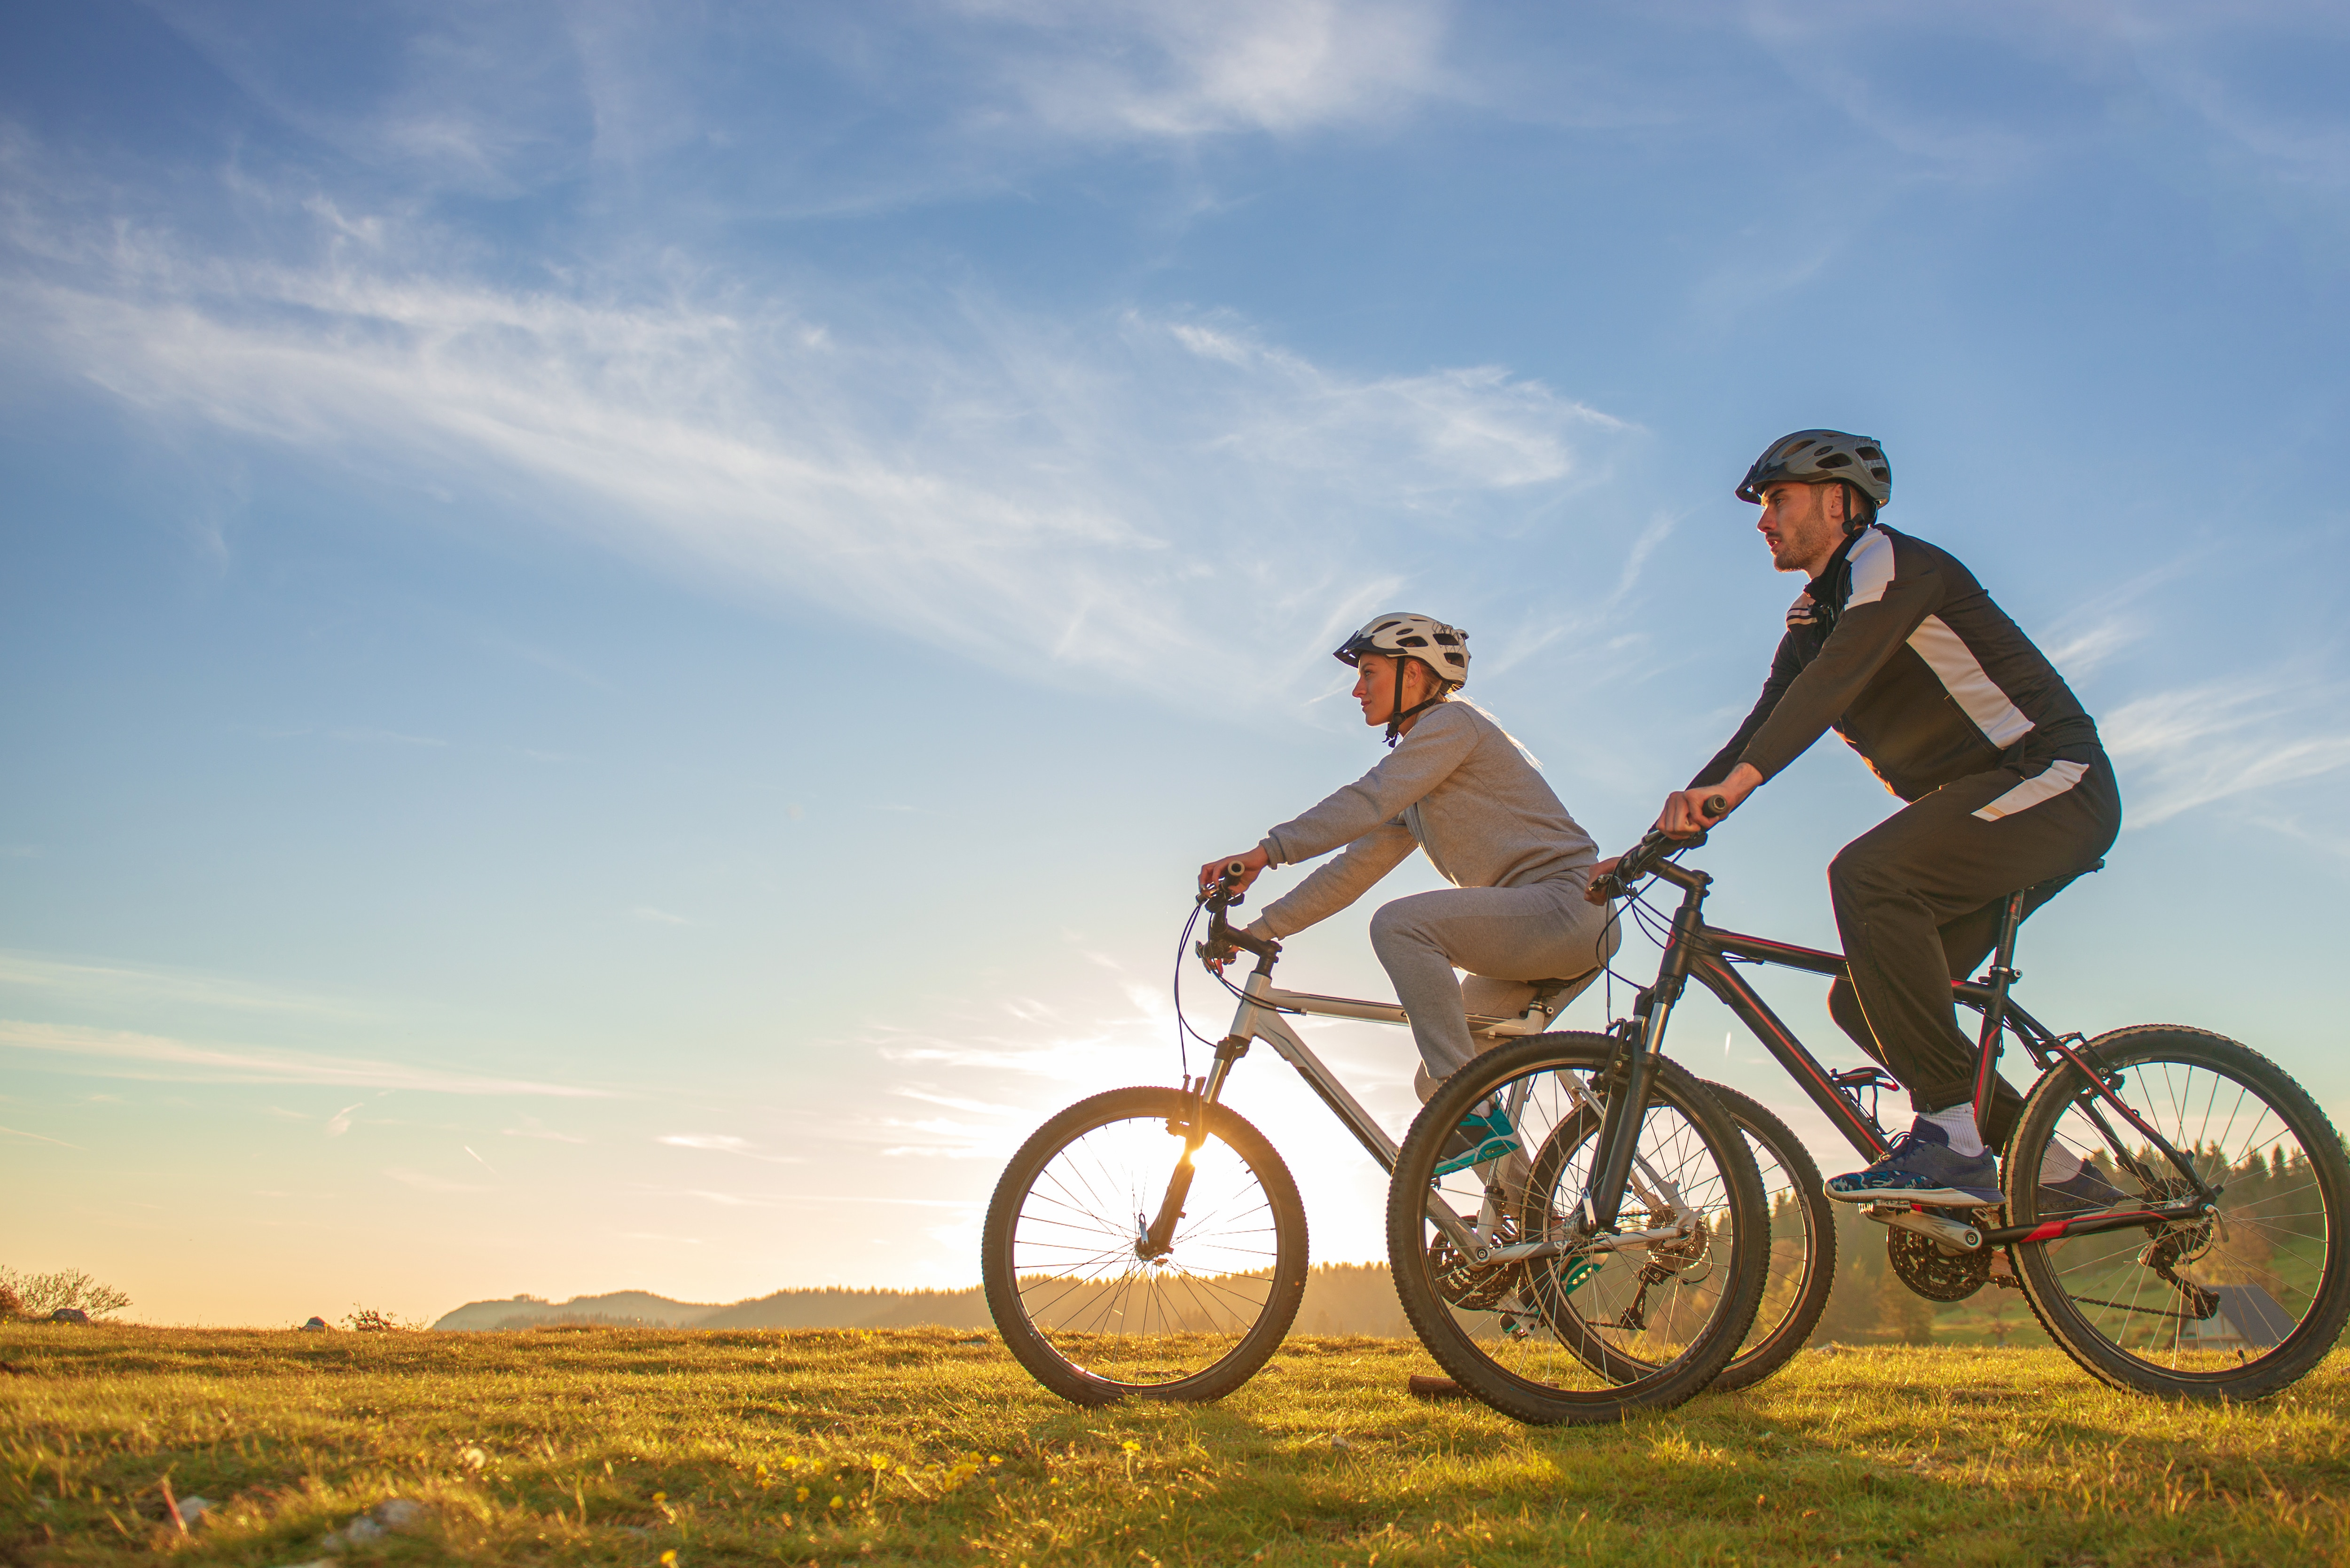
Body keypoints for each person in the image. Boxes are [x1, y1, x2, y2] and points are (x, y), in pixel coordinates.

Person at [1607, 431, 2122, 1207]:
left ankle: (1951, 1141)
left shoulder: (1896, 566)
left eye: (1779, 499)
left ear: (1841, 502)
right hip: (1981, 812)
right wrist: (1654, 840)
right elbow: (1768, 718)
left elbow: (1832, 687)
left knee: (1870, 873)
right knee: (1864, 998)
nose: (1762, 520)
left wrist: (1731, 792)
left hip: (2054, 781)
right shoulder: (1815, 612)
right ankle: (2055, 1178)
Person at [1199, 613, 1617, 1163]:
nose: (1356, 689)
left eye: (1368, 673)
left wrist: (1264, 853)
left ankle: (1470, 1113)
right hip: (1533, 931)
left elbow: (1367, 798)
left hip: (1565, 907)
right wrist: (1258, 931)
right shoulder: (1418, 783)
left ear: (1414, 675)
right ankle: (1531, 1231)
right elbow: (1350, 871)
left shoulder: (1452, 726)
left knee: (1401, 927)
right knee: (1441, 1080)